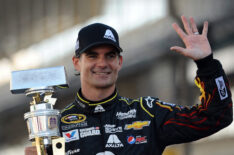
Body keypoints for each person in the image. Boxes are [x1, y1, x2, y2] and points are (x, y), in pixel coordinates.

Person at [25, 16, 233, 155]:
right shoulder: (57, 126)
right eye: (92, 55)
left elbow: (215, 117)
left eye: (110, 55)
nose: (102, 63)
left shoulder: (147, 113)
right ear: (77, 62)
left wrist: (206, 64)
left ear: (119, 62)